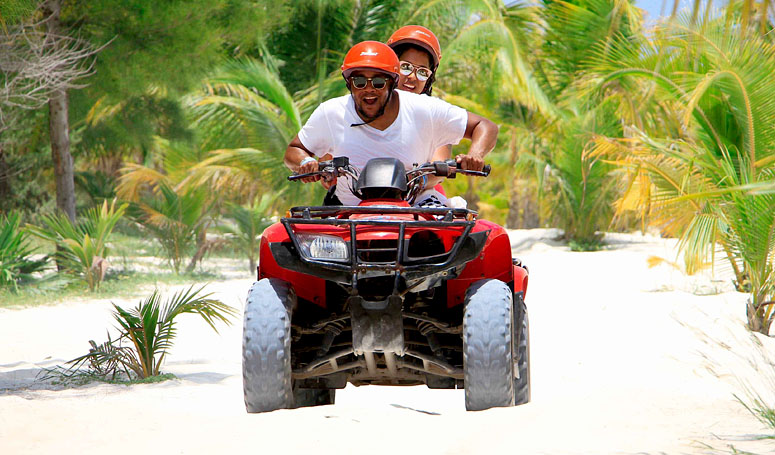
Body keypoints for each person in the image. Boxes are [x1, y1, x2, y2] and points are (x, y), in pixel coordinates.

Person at [283, 41, 498, 206]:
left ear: (393, 83)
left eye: (378, 82)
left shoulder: (424, 109)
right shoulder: (331, 112)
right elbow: (295, 149)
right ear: (349, 84)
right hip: (347, 212)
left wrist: (476, 156)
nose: (368, 89)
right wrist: (305, 164)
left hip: (413, 209)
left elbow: (485, 126)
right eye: (359, 81)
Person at [387, 25, 452, 206]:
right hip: (356, 197)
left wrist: (417, 181)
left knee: (441, 231)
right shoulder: (358, 105)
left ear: (430, 79)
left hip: (419, 197)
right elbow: (328, 160)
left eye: (422, 72)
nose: (413, 77)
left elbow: (440, 167)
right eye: (405, 67)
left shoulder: (437, 115)